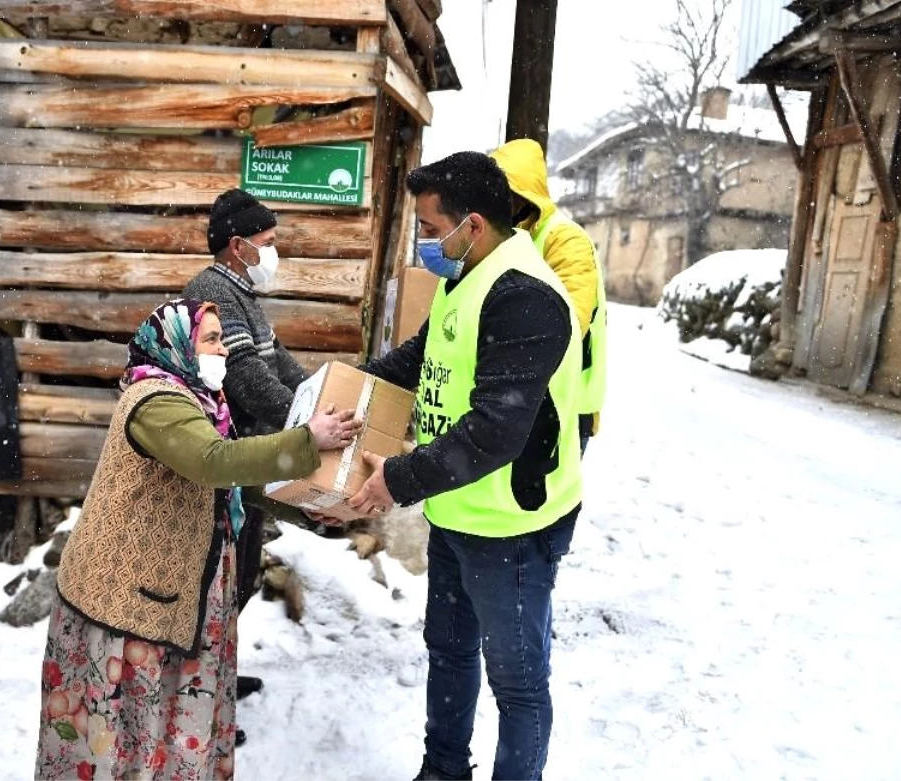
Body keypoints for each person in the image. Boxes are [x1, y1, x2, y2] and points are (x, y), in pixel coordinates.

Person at [37, 298, 361, 781]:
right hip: (125, 602)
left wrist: (308, 509)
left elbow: (229, 478)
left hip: (176, 593)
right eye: (210, 340)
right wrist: (306, 441)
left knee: (164, 717)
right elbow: (212, 461)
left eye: (223, 341)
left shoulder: (200, 400)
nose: (223, 352)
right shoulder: (155, 401)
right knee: (122, 729)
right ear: (175, 347)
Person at [347, 153, 584, 781]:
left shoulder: (526, 298)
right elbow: (415, 362)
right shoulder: (464, 278)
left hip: (512, 524)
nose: (424, 242)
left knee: (518, 682)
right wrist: (336, 394)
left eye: (429, 228)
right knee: (449, 651)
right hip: (456, 509)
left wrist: (396, 480)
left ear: (472, 225)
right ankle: (443, 771)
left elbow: (496, 430)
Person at [182, 189, 309, 728]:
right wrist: (305, 421)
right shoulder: (212, 292)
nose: (274, 252)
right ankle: (193, 702)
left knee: (240, 576)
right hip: (222, 464)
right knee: (212, 584)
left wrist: (319, 395)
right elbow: (247, 380)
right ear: (238, 247)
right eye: (268, 242)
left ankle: (216, 677)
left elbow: (277, 362)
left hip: (250, 458)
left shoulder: (244, 297)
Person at [490, 138, 608, 453]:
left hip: (561, 406)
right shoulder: (506, 237)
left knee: (546, 501)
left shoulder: (563, 238)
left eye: (503, 194)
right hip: (517, 403)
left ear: (523, 195)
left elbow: (569, 324)